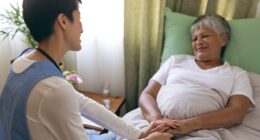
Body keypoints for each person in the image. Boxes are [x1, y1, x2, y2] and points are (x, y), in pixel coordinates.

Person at [0, 0, 176, 140]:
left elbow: (82, 102)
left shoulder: (24, 60)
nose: (82, 29)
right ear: (63, 21)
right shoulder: (53, 89)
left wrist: (138, 134)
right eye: (79, 18)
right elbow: (63, 94)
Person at [116, 14, 255, 139]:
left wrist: (188, 125)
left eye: (205, 36)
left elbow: (237, 113)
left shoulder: (236, 74)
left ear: (223, 39)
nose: (198, 42)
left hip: (199, 131)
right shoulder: (175, 61)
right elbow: (147, 95)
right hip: (153, 124)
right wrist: (157, 120)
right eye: (194, 38)